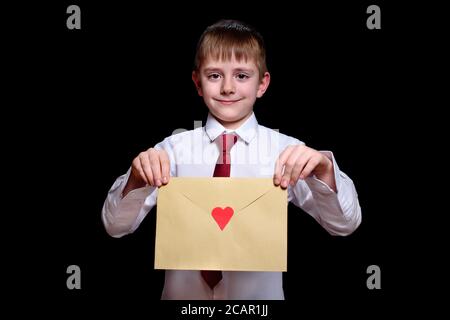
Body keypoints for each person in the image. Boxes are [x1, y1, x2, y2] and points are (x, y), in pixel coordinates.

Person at [102, 19, 361, 300]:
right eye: (214, 75)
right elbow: (115, 227)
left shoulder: (288, 153)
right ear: (197, 83)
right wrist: (136, 179)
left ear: (262, 84)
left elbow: (344, 225)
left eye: (241, 76)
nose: (227, 87)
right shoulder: (171, 150)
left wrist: (324, 172)